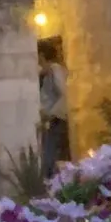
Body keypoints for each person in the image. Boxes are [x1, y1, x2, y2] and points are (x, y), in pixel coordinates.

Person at [38, 39, 70, 175]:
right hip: (49, 121)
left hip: (55, 120)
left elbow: (64, 94)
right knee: (47, 157)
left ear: (41, 55)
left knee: (50, 159)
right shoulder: (45, 73)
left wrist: (50, 114)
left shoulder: (55, 70)